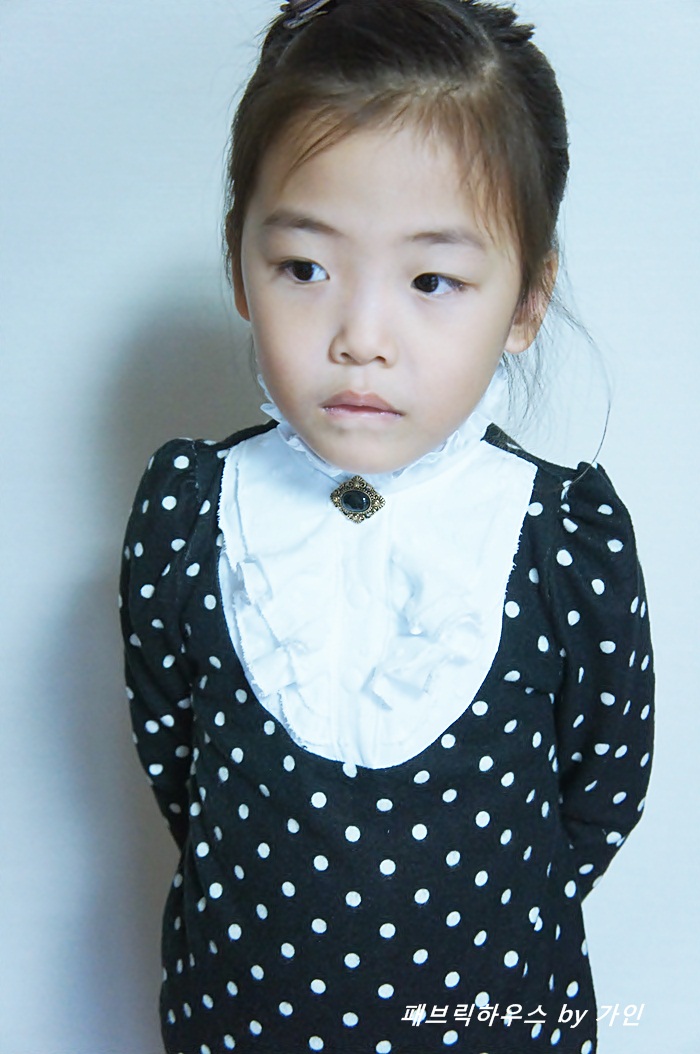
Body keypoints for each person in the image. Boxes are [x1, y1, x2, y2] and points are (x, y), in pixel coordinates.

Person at [119, 1, 654, 1051]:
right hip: (240, 1018)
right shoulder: (191, 516)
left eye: (432, 281)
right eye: (304, 269)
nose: (361, 337)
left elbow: (597, 795)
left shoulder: (559, 537)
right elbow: (180, 766)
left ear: (525, 300)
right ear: (240, 264)